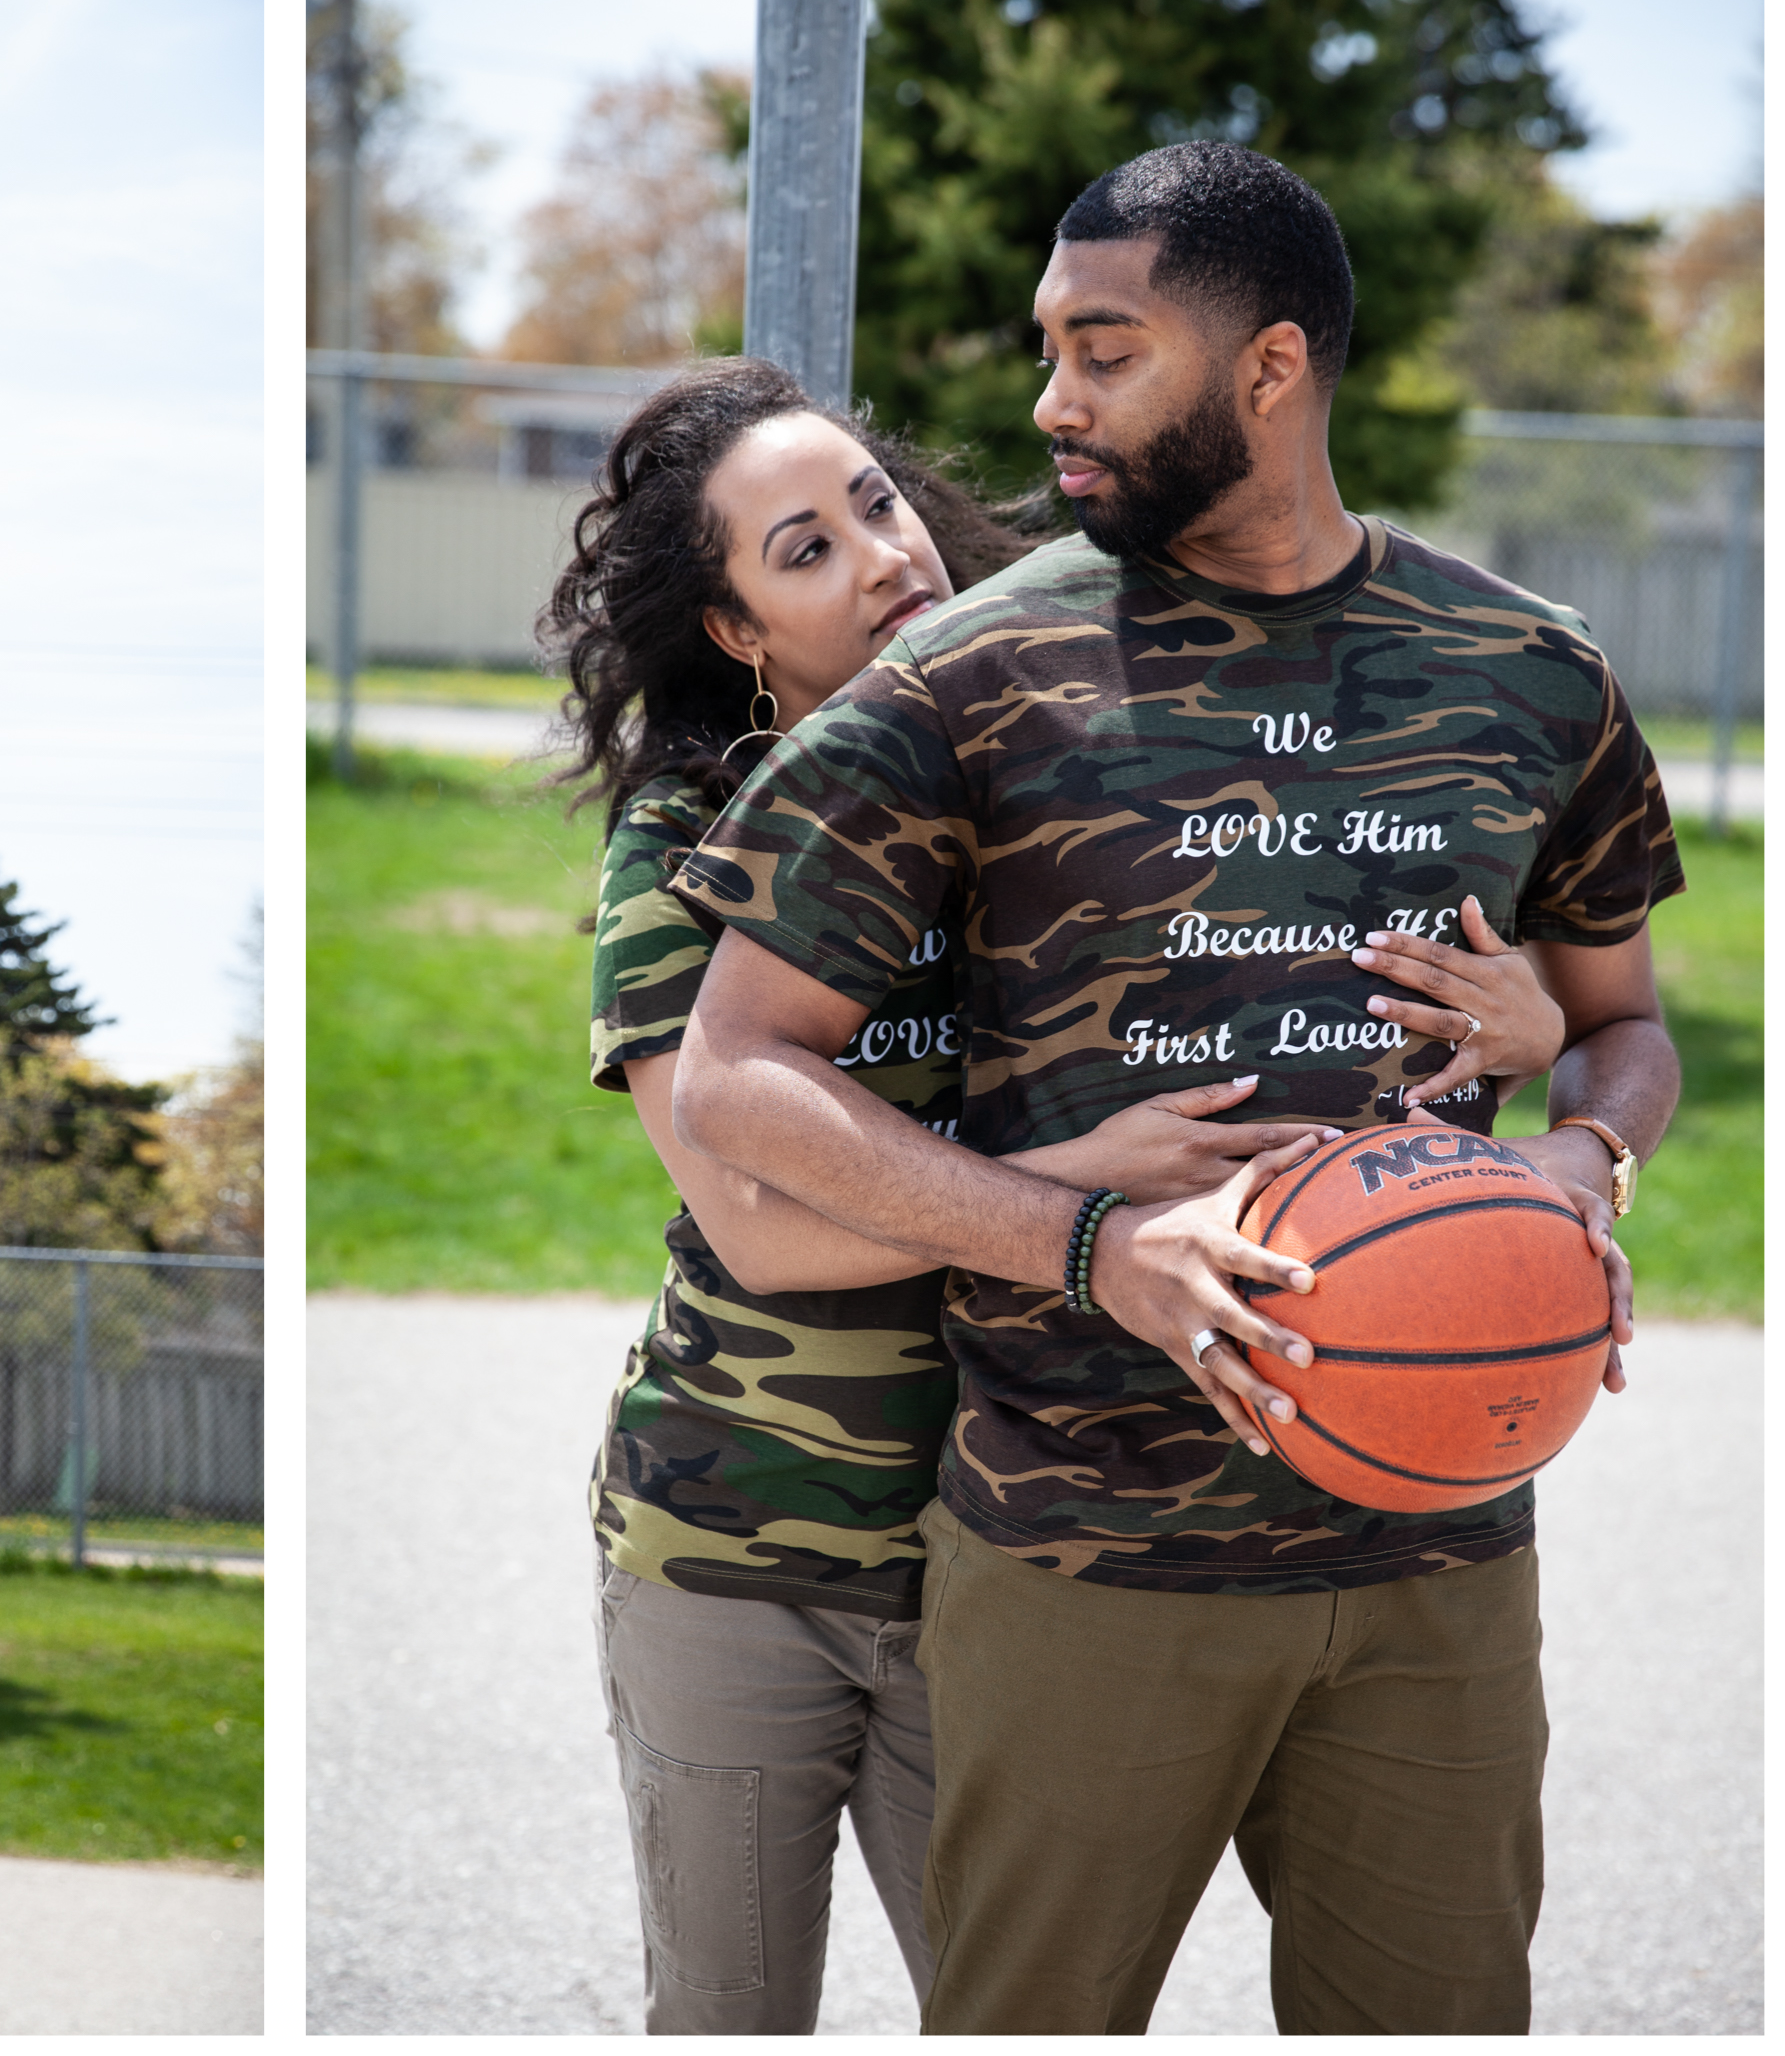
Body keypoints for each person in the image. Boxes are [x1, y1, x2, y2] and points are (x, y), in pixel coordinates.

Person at [666, 142, 1682, 2034]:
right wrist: (1084, 1241)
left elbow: (1623, 1020)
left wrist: (1585, 1162)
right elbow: (736, 1073)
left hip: (1441, 1544)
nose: (1050, 400)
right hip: (1081, 1542)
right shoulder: (967, 678)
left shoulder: (1531, 673)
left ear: (1271, 369)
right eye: (1050, 348)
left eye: (1104, 351)